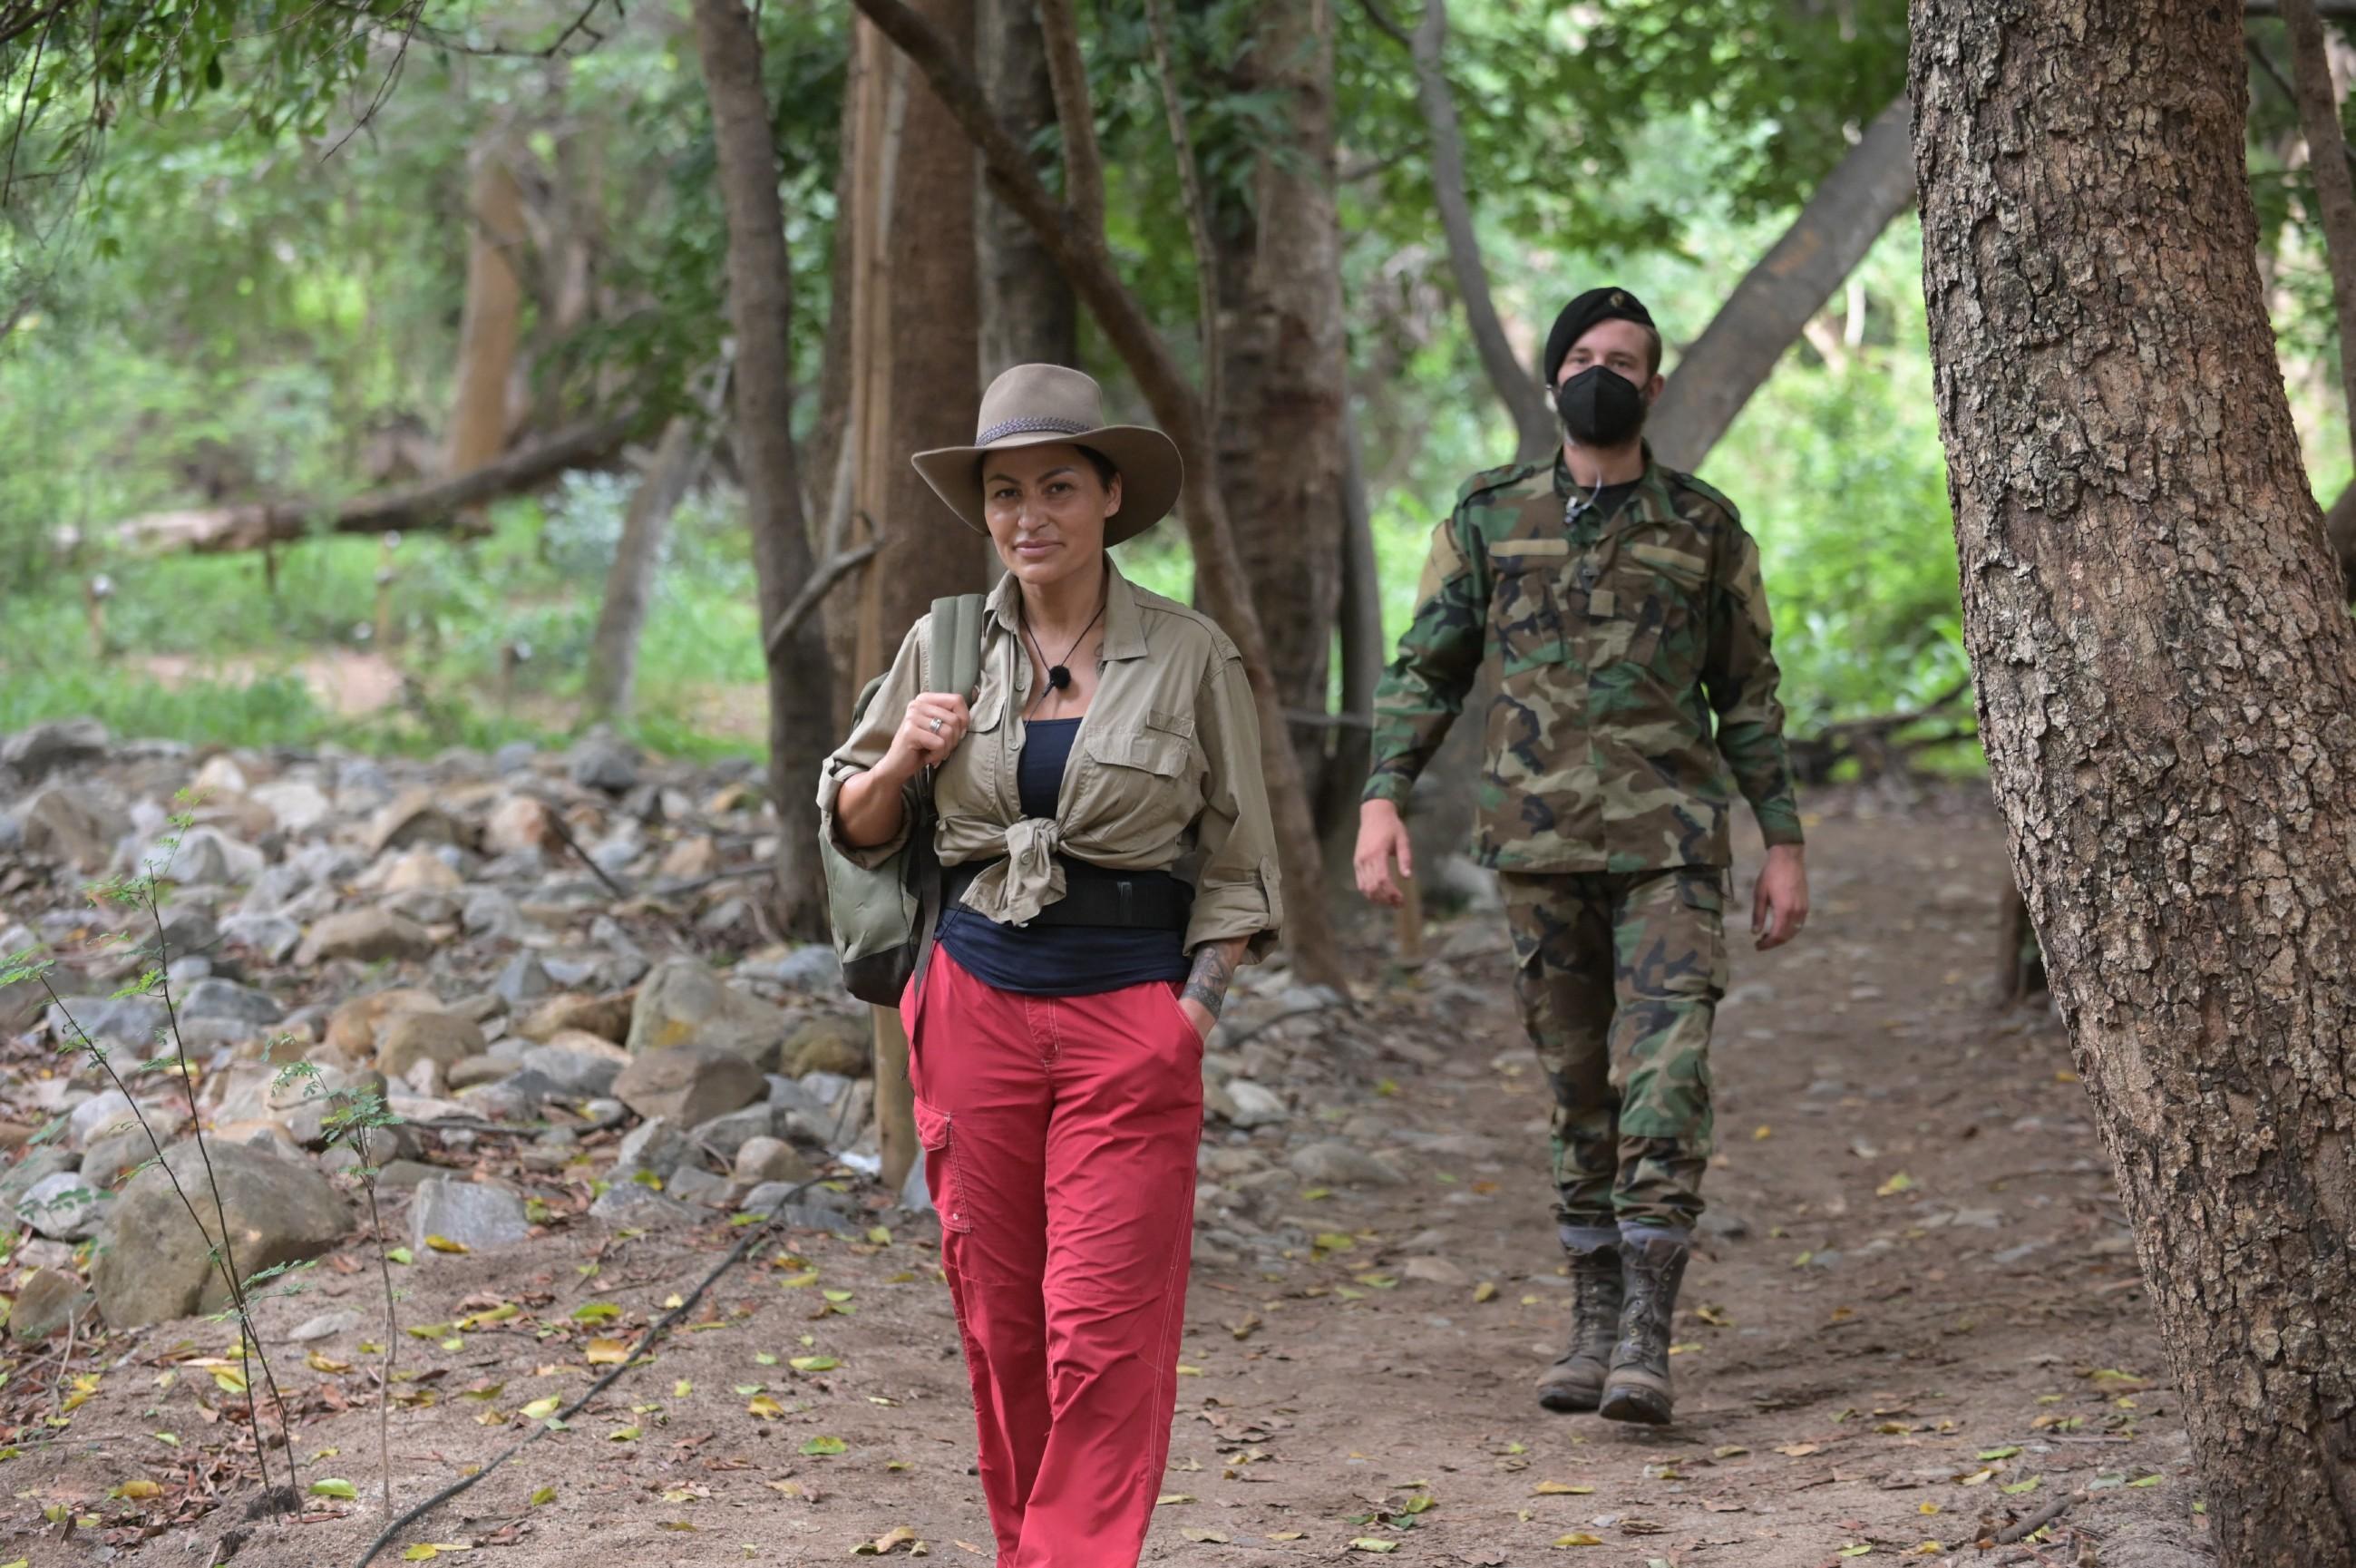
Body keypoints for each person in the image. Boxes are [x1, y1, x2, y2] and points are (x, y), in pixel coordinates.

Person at [818, 363, 1283, 1566]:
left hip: (1129, 1016)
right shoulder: (942, 640)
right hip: (972, 1007)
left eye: (1058, 487)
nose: (1030, 516)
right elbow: (857, 825)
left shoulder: (1189, 655)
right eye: (1006, 491)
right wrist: (902, 759)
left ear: (1110, 494)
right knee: (1004, 1322)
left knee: (1101, 1328)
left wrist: (1191, 1018)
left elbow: (1241, 868)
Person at [1353, 287, 1809, 1426]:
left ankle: (1649, 1340)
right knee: (1576, 1090)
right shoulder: (1488, 514)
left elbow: (1747, 696)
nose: (1604, 371)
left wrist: (1783, 841)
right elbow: (1428, 669)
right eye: (1586, 355)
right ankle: (1591, 1323)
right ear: (1556, 378)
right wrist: (1382, 797)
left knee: (1666, 1074)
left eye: (1627, 359)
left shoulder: (1704, 525)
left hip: (1670, 846)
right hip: (1538, 848)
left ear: (1654, 388)